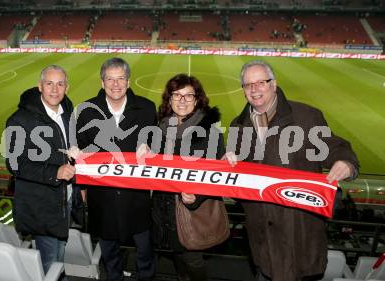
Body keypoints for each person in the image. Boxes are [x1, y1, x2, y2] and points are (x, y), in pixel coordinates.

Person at [225, 60, 359, 281]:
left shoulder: (306, 117)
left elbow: (337, 147)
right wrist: (228, 169)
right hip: (262, 239)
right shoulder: (238, 126)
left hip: (300, 233)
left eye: (261, 82)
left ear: (274, 84)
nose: (254, 89)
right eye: (248, 84)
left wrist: (345, 162)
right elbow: (238, 184)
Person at [76, 57, 156, 281]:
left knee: (145, 251)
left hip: (138, 196)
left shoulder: (147, 109)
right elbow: (80, 152)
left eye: (120, 78)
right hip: (102, 197)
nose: (115, 84)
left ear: (128, 82)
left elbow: (157, 147)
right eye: (110, 79)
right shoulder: (86, 112)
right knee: (110, 255)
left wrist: (151, 149)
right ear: (102, 83)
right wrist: (82, 187)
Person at [142, 74, 225, 281]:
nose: (182, 100)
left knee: (192, 260)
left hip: (191, 212)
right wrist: (144, 154)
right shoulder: (160, 129)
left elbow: (217, 175)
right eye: (176, 95)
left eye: (188, 96)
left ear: (197, 100)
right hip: (163, 209)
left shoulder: (209, 132)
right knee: (178, 259)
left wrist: (196, 196)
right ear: (169, 100)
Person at [5, 65, 83, 280]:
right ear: (40, 86)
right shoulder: (19, 120)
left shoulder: (67, 111)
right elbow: (15, 164)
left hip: (64, 199)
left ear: (67, 87)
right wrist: (55, 172)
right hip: (41, 204)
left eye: (60, 84)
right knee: (50, 260)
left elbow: (67, 145)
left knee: (59, 253)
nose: (55, 89)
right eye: (49, 83)